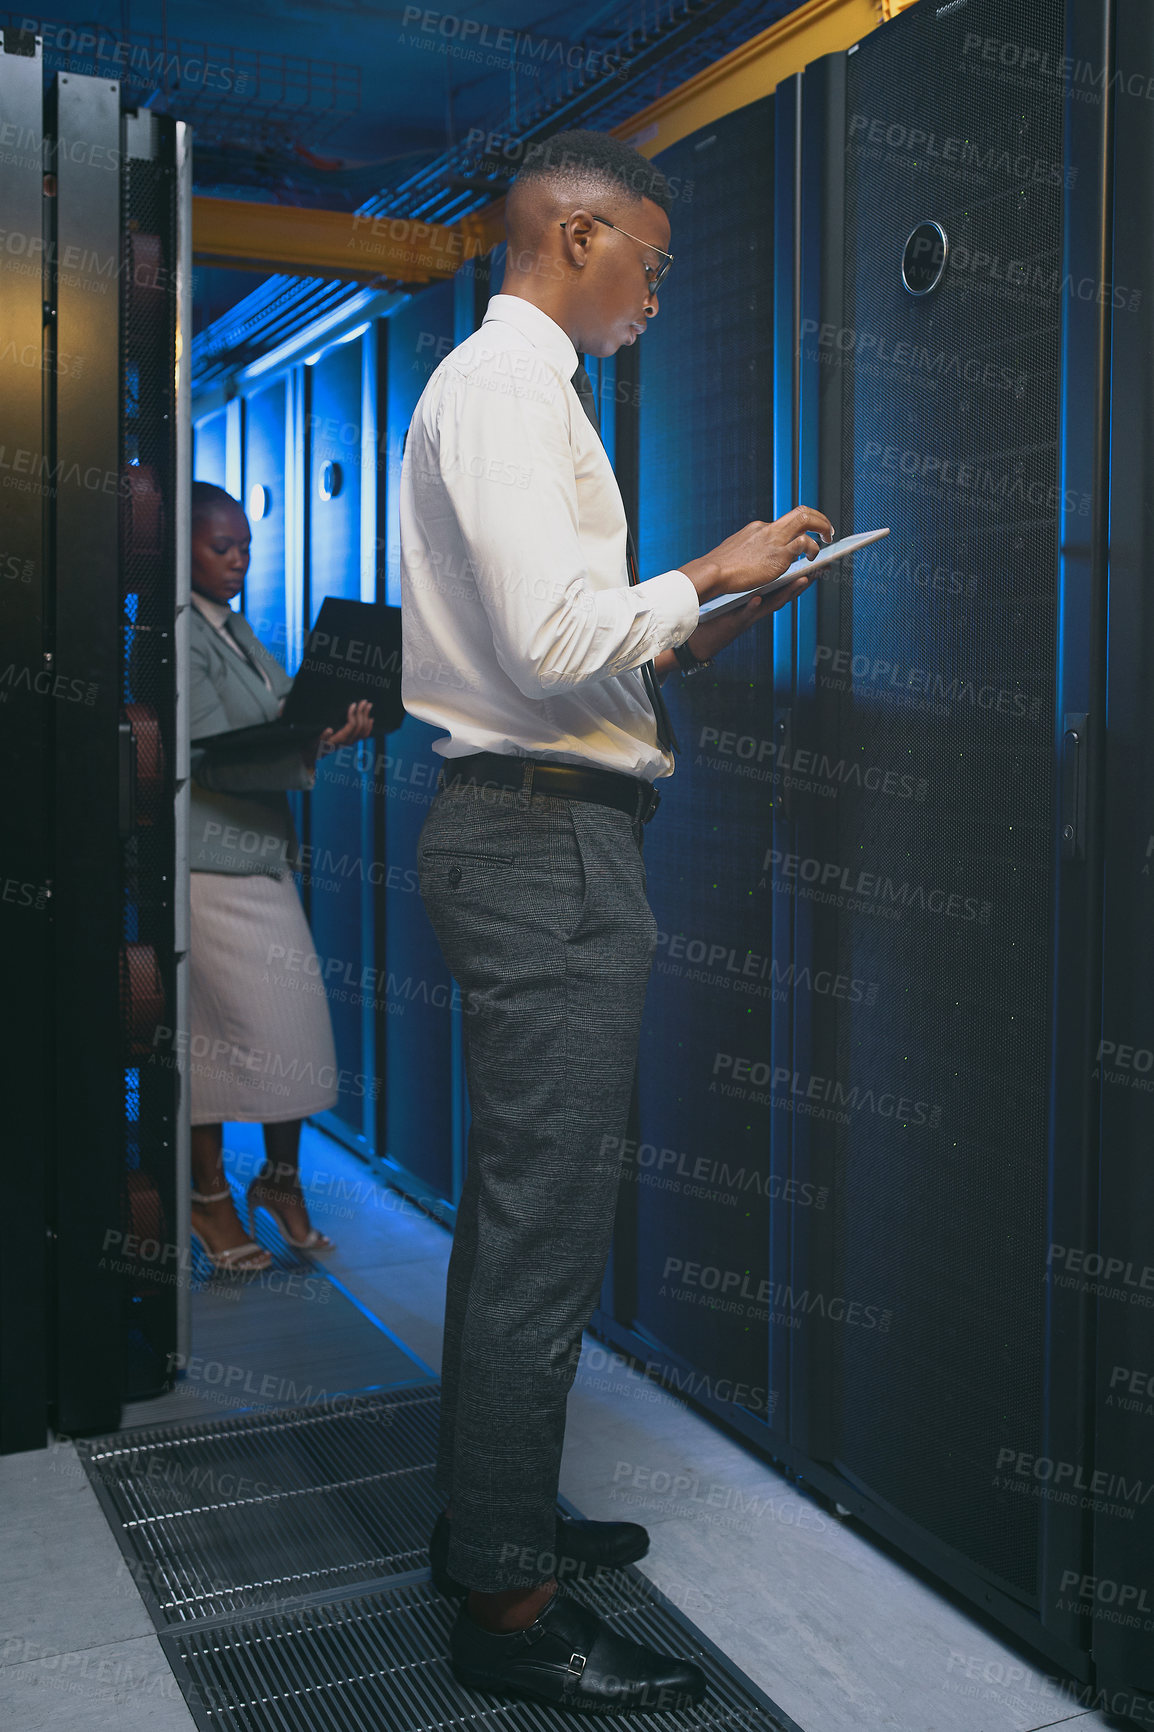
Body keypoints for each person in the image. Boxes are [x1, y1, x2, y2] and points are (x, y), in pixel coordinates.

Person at [400, 130, 833, 1713]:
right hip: (541, 850)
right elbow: (541, 641)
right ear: (575, 236)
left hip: (542, 835)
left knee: (528, 1226)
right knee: (539, 1238)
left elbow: (587, 655)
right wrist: (696, 567)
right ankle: (505, 1612)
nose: (656, 287)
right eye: (645, 258)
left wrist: (719, 612)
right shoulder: (509, 392)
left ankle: (497, 1521)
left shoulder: (523, 394)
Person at [186, 481, 373, 1272]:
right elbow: (205, 752)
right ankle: (209, 1202)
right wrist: (308, 743)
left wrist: (332, 719)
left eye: (245, 546)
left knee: (293, 1044)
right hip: (207, 864)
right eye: (220, 547)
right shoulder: (173, 634)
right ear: (181, 548)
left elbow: (283, 708)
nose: (238, 560)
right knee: (212, 1048)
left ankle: (278, 1181)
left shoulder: (233, 629)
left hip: (259, 858)